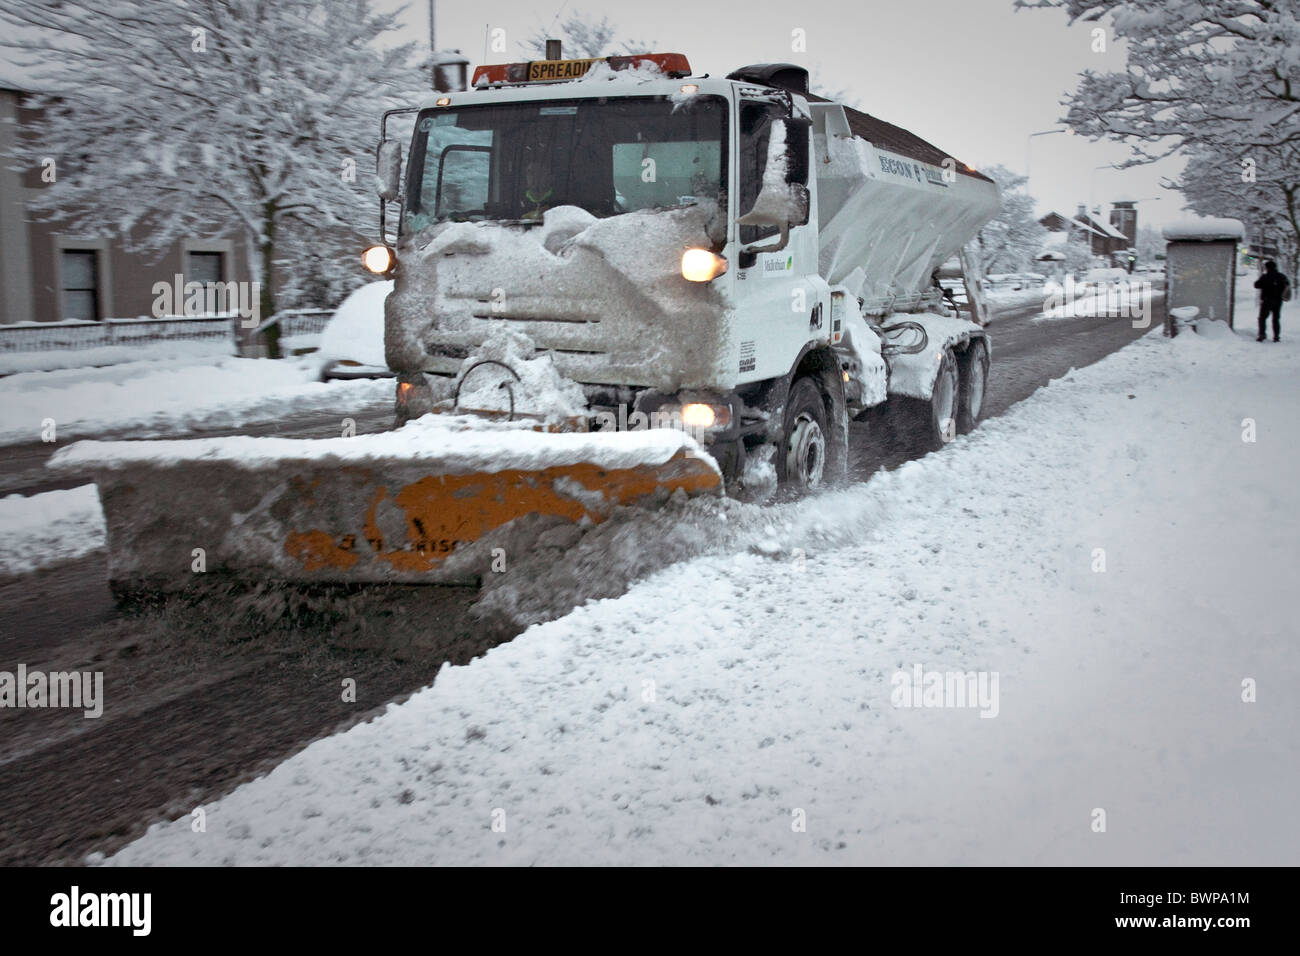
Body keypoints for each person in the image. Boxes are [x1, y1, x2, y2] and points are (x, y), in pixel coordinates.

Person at [1254, 259, 1290, 342]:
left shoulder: (1265, 276)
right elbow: (1287, 286)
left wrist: (1263, 279)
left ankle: (1262, 334)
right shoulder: (1282, 276)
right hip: (1278, 301)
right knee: (1276, 319)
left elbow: (1256, 285)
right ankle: (1276, 337)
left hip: (1267, 300)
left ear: (1267, 268)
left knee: (1262, 318)